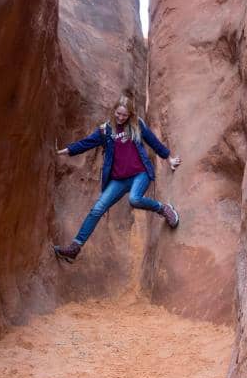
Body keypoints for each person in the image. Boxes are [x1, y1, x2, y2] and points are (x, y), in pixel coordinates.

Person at [53, 96, 181, 263]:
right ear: (114, 111)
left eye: (125, 115)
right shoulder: (105, 130)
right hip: (118, 180)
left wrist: (169, 158)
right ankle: (75, 248)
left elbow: (153, 142)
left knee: (134, 199)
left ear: (130, 115)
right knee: (97, 209)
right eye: (119, 114)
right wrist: (65, 151)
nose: (121, 118)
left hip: (139, 174)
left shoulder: (137, 125)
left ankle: (163, 209)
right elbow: (86, 143)